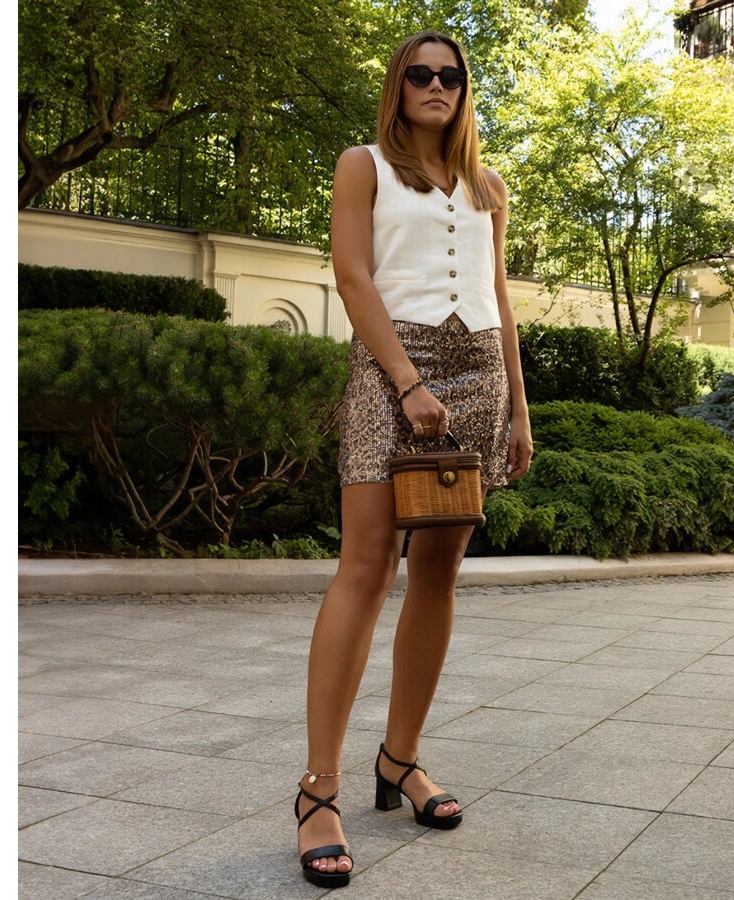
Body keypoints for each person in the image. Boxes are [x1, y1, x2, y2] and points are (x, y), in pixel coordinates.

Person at [294, 30, 533, 889]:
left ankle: (399, 759)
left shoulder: (488, 186)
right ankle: (317, 791)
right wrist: (406, 382)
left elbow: (499, 296)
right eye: (421, 73)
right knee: (365, 567)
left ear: (464, 90)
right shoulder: (362, 165)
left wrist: (519, 408)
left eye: (451, 75)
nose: (437, 85)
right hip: (392, 367)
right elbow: (352, 277)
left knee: (439, 571)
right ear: (398, 85)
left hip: (478, 375)